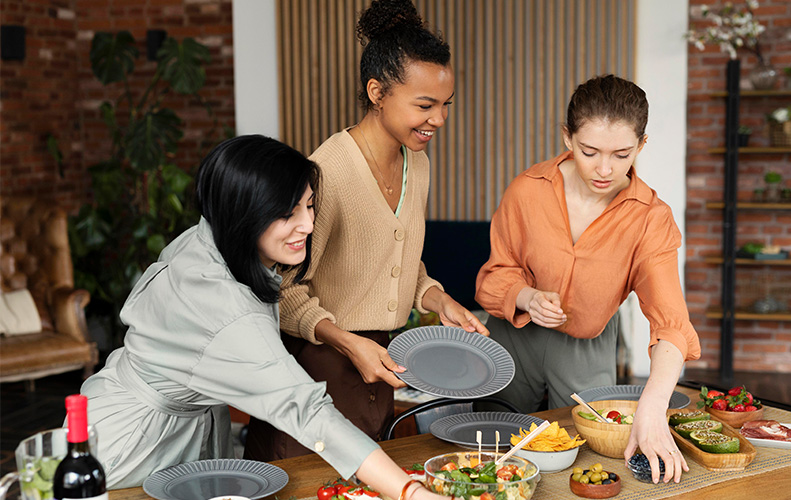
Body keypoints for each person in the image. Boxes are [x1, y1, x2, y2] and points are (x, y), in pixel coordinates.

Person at [78, 135, 445, 500]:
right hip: (134, 444)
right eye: (287, 213)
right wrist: (412, 493)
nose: (307, 225)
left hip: (175, 423)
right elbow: (306, 411)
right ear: (243, 214)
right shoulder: (224, 309)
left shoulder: (213, 236)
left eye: (309, 206)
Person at [244, 0, 488, 462]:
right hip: (318, 367)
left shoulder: (419, 163)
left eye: (445, 105)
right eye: (425, 105)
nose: (439, 119)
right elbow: (283, 289)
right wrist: (347, 342)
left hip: (383, 362)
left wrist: (440, 301)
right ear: (377, 92)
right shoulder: (324, 173)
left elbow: (399, 263)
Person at [474, 75, 701, 484]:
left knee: (590, 462)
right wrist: (525, 296)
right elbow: (493, 276)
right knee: (493, 452)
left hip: (589, 347)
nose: (604, 169)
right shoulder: (528, 190)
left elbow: (671, 323)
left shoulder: (651, 218)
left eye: (621, 154)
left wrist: (653, 404)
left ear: (642, 145)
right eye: (589, 151)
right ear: (567, 137)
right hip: (514, 339)